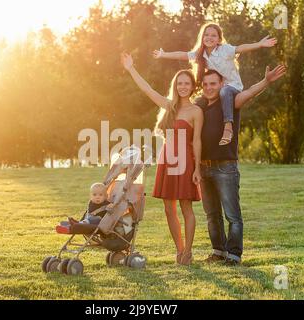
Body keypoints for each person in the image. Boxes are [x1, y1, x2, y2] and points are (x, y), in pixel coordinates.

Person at [196, 65, 286, 265]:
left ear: (221, 84)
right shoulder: (200, 106)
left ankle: (234, 255)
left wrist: (266, 81)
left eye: (213, 84)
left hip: (225, 167)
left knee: (232, 215)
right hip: (204, 167)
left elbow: (250, 92)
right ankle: (218, 251)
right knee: (212, 215)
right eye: (205, 84)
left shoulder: (229, 101)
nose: (209, 87)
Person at [121, 52, 203, 266]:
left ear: (193, 87)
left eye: (187, 83)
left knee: (186, 208)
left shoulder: (196, 111)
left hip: (186, 163)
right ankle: (179, 249)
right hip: (167, 160)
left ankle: (188, 252)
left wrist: (197, 169)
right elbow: (148, 90)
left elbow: (196, 142)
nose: (183, 87)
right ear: (175, 86)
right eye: (180, 83)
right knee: (169, 209)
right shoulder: (169, 107)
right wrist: (131, 68)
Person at [153, 23, 277, 146]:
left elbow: (241, 48)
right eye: (206, 35)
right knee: (197, 103)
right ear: (202, 38)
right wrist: (163, 54)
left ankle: (228, 126)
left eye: (213, 35)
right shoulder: (201, 54)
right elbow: (183, 55)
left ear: (219, 39)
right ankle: (186, 135)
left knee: (225, 91)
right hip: (216, 88)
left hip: (232, 87)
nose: (209, 38)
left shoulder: (225, 50)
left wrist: (260, 44)